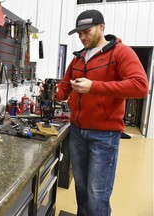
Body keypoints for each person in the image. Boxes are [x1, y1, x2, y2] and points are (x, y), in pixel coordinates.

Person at [48, 9, 148, 216]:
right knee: (82, 189)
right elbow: (64, 90)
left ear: (101, 27)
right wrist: (50, 92)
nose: (83, 37)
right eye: (79, 33)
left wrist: (94, 86)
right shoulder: (77, 59)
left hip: (104, 135)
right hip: (77, 132)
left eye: (87, 31)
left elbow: (140, 86)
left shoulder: (121, 52)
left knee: (97, 194)